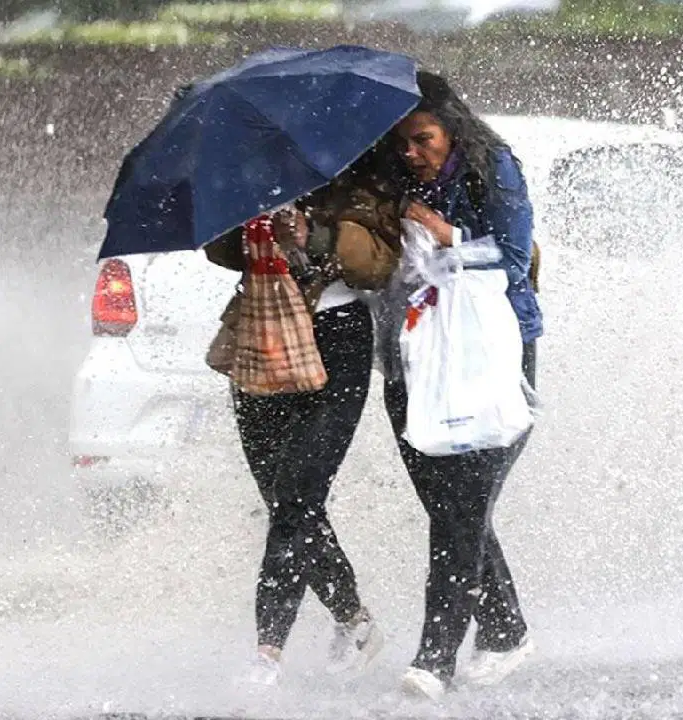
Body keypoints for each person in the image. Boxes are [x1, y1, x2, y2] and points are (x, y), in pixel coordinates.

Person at [203, 166, 403, 685]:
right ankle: (355, 620)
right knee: (283, 500)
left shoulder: (362, 171)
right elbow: (219, 251)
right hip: (263, 329)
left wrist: (310, 235)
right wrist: (243, 220)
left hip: (339, 339)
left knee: (296, 494)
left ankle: (267, 651)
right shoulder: (250, 172)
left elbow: (381, 263)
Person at [379, 70, 543, 700]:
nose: (413, 155)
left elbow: (514, 251)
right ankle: (504, 631)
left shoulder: (491, 167)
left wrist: (447, 237)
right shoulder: (390, 183)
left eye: (423, 140)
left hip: (490, 352)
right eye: (402, 145)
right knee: (449, 506)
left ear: (453, 130)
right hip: (414, 355)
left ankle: (434, 658)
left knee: (462, 508)